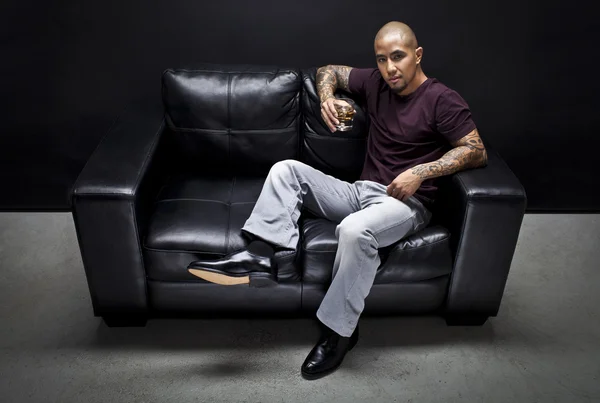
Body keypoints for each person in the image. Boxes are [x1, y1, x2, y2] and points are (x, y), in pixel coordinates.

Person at [187, 21, 488, 380]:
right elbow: (327, 71)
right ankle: (261, 255)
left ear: (417, 55)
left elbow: (476, 150)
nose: (390, 68)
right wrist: (328, 96)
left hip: (404, 203)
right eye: (381, 59)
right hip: (360, 190)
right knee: (286, 169)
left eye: (398, 57)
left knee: (353, 230)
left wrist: (421, 171)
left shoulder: (442, 99)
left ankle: (340, 333)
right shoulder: (376, 82)